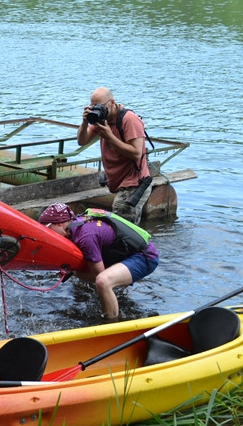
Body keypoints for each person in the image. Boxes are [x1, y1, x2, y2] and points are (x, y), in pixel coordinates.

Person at [40, 202, 158, 322]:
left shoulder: (85, 236)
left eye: (47, 228)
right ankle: (116, 297)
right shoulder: (79, 222)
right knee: (91, 280)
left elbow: (98, 275)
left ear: (60, 224)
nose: (47, 234)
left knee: (103, 282)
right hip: (125, 252)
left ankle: (112, 324)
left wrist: (73, 272)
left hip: (145, 257)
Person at [77, 87, 152, 224]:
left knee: (121, 224)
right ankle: (136, 245)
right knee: (128, 228)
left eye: (99, 106)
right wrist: (84, 122)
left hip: (134, 182)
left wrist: (109, 136)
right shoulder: (101, 118)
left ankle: (130, 245)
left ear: (112, 102)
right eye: (93, 106)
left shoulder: (129, 119)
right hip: (119, 181)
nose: (96, 109)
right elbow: (82, 141)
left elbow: (136, 154)